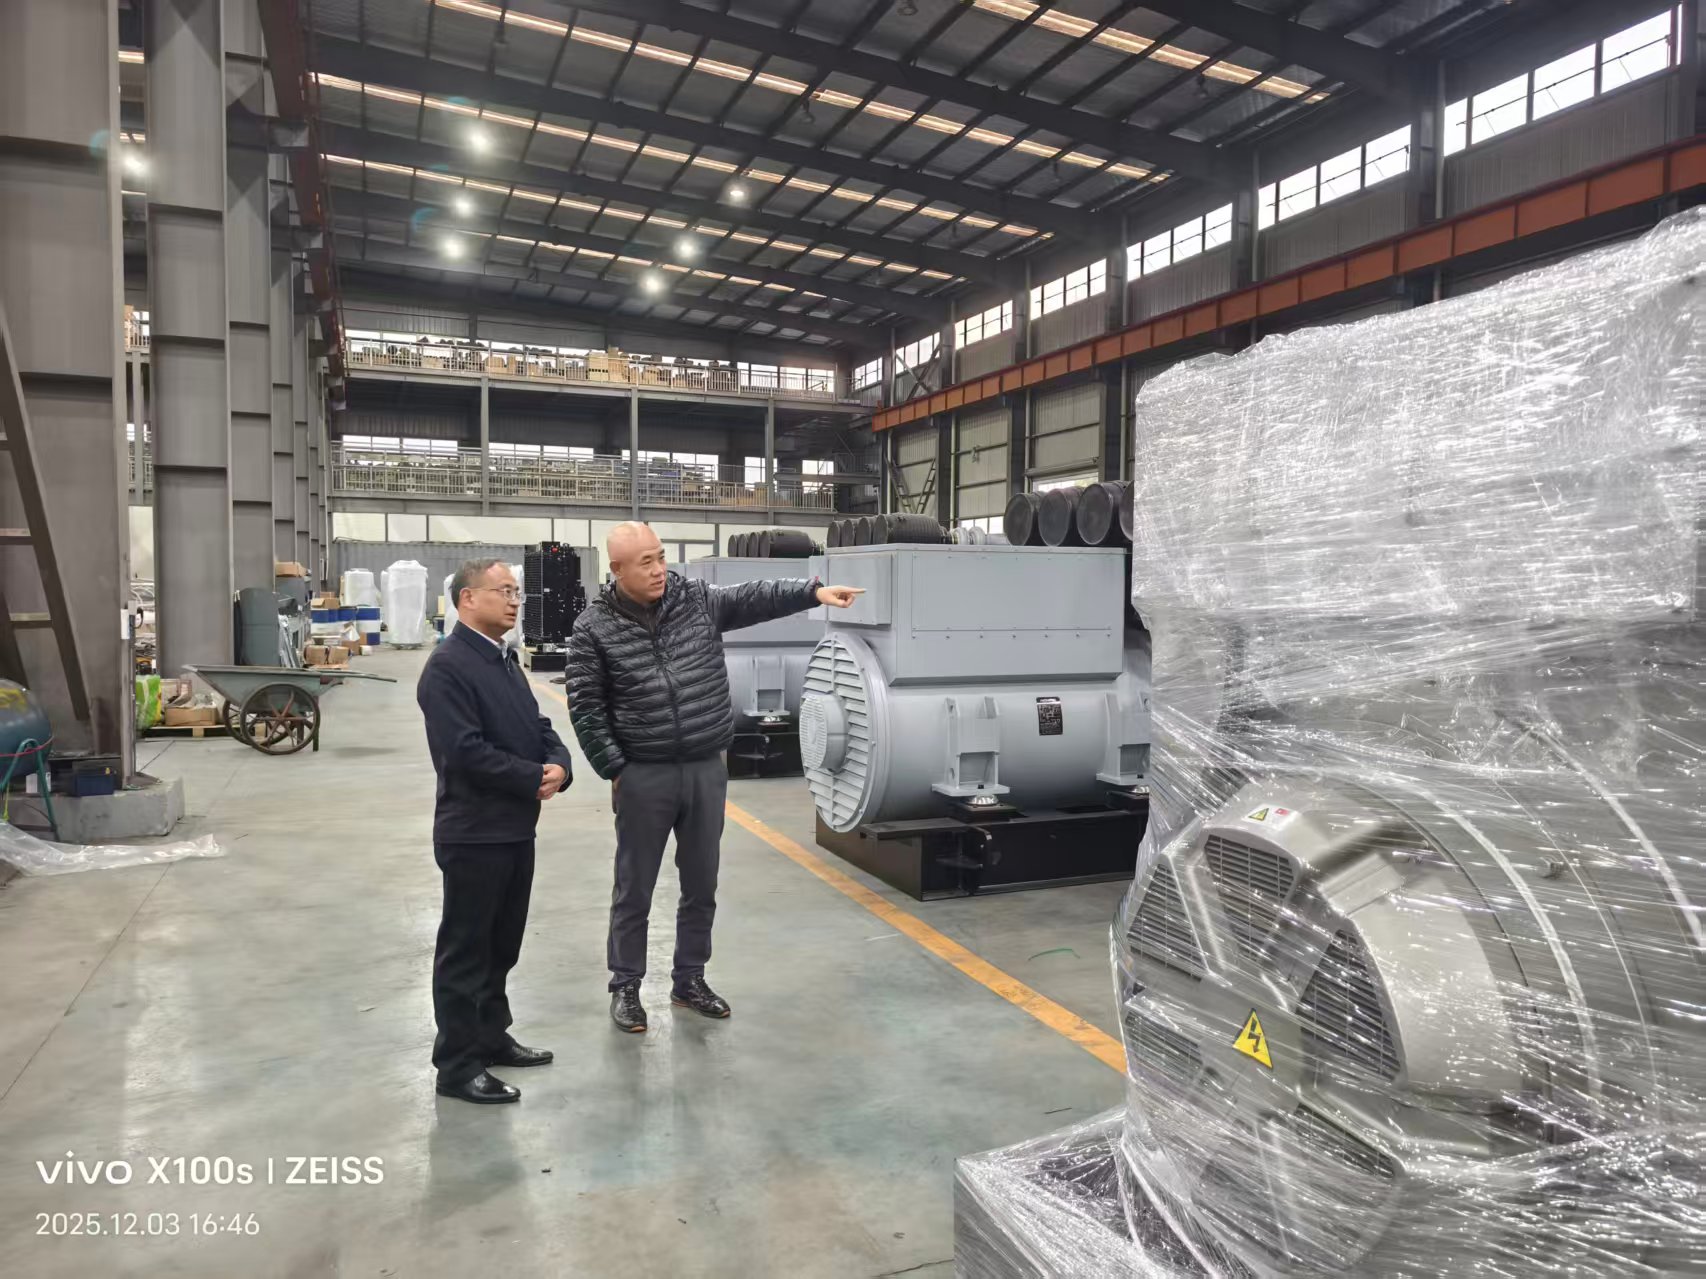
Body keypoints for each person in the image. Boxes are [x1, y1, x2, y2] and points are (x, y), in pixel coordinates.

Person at [566, 522, 861, 1032]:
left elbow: (755, 596)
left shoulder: (695, 600)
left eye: (660, 557)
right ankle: (626, 986)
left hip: (705, 767)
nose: (658, 569)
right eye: (645, 562)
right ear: (616, 570)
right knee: (634, 888)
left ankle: (690, 979)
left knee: (701, 882)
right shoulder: (593, 628)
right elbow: (586, 707)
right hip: (645, 773)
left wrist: (813, 591)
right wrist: (616, 768)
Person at [417, 558, 573, 1105]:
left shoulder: (502, 659)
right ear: (467, 599)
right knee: (466, 952)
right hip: (473, 833)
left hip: (513, 829)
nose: (514, 601)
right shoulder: (448, 667)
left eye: (516, 592)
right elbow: (464, 753)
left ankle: (490, 1035)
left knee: (501, 945)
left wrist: (559, 764)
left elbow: (537, 724)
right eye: (502, 591)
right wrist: (532, 776)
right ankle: (457, 1066)